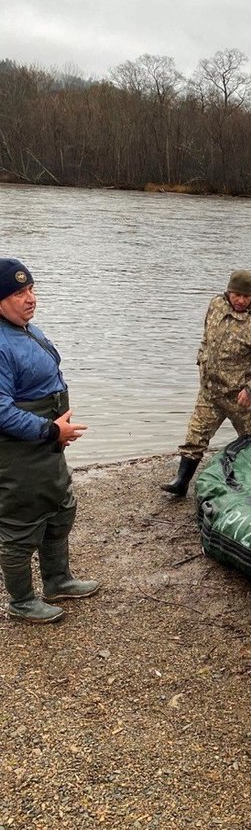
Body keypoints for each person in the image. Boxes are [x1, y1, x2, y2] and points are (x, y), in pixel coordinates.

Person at [0, 258, 99, 624]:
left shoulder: (27, 329)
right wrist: (51, 430)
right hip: (18, 451)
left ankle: (57, 580)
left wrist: (57, 430)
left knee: (60, 509)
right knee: (21, 524)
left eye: (31, 289)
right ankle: (22, 601)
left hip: (46, 446)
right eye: (18, 292)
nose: (30, 298)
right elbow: (0, 411)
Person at [161, 269, 251, 497]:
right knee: (195, 437)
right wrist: (202, 359)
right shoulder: (216, 305)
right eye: (237, 295)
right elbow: (207, 336)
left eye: (246, 297)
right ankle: (180, 483)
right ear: (229, 292)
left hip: (239, 397)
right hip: (210, 392)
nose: (241, 300)